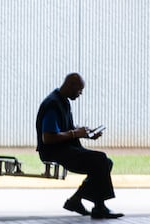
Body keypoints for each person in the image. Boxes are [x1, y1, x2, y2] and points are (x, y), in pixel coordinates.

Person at [35, 72, 123, 219]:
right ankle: (98, 207)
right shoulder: (53, 104)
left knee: (105, 163)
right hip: (54, 151)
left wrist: (86, 133)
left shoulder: (63, 101)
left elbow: (65, 129)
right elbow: (48, 137)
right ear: (71, 85)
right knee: (100, 159)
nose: (81, 93)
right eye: (79, 90)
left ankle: (77, 200)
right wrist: (76, 134)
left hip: (65, 149)